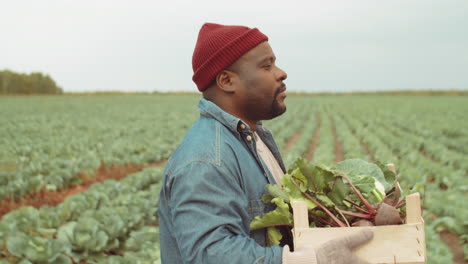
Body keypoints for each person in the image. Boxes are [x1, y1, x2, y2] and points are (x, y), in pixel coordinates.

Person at [158, 22, 373, 264]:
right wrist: (309, 259)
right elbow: (210, 255)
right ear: (227, 81)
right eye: (266, 66)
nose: (281, 73)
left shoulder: (252, 139)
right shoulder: (206, 159)